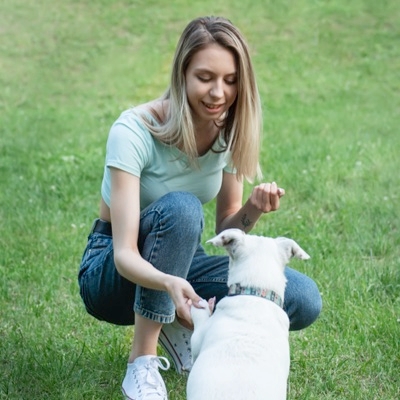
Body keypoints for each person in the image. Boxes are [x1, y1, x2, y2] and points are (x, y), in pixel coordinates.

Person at [78, 16, 322, 400]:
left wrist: (254, 210)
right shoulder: (133, 130)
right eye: (205, 77)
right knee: (182, 209)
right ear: (182, 74)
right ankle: (141, 362)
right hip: (111, 271)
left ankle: (188, 325)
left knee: (302, 298)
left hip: (181, 260)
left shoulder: (227, 131)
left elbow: (228, 223)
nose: (218, 93)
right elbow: (124, 253)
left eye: (230, 80)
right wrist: (169, 283)